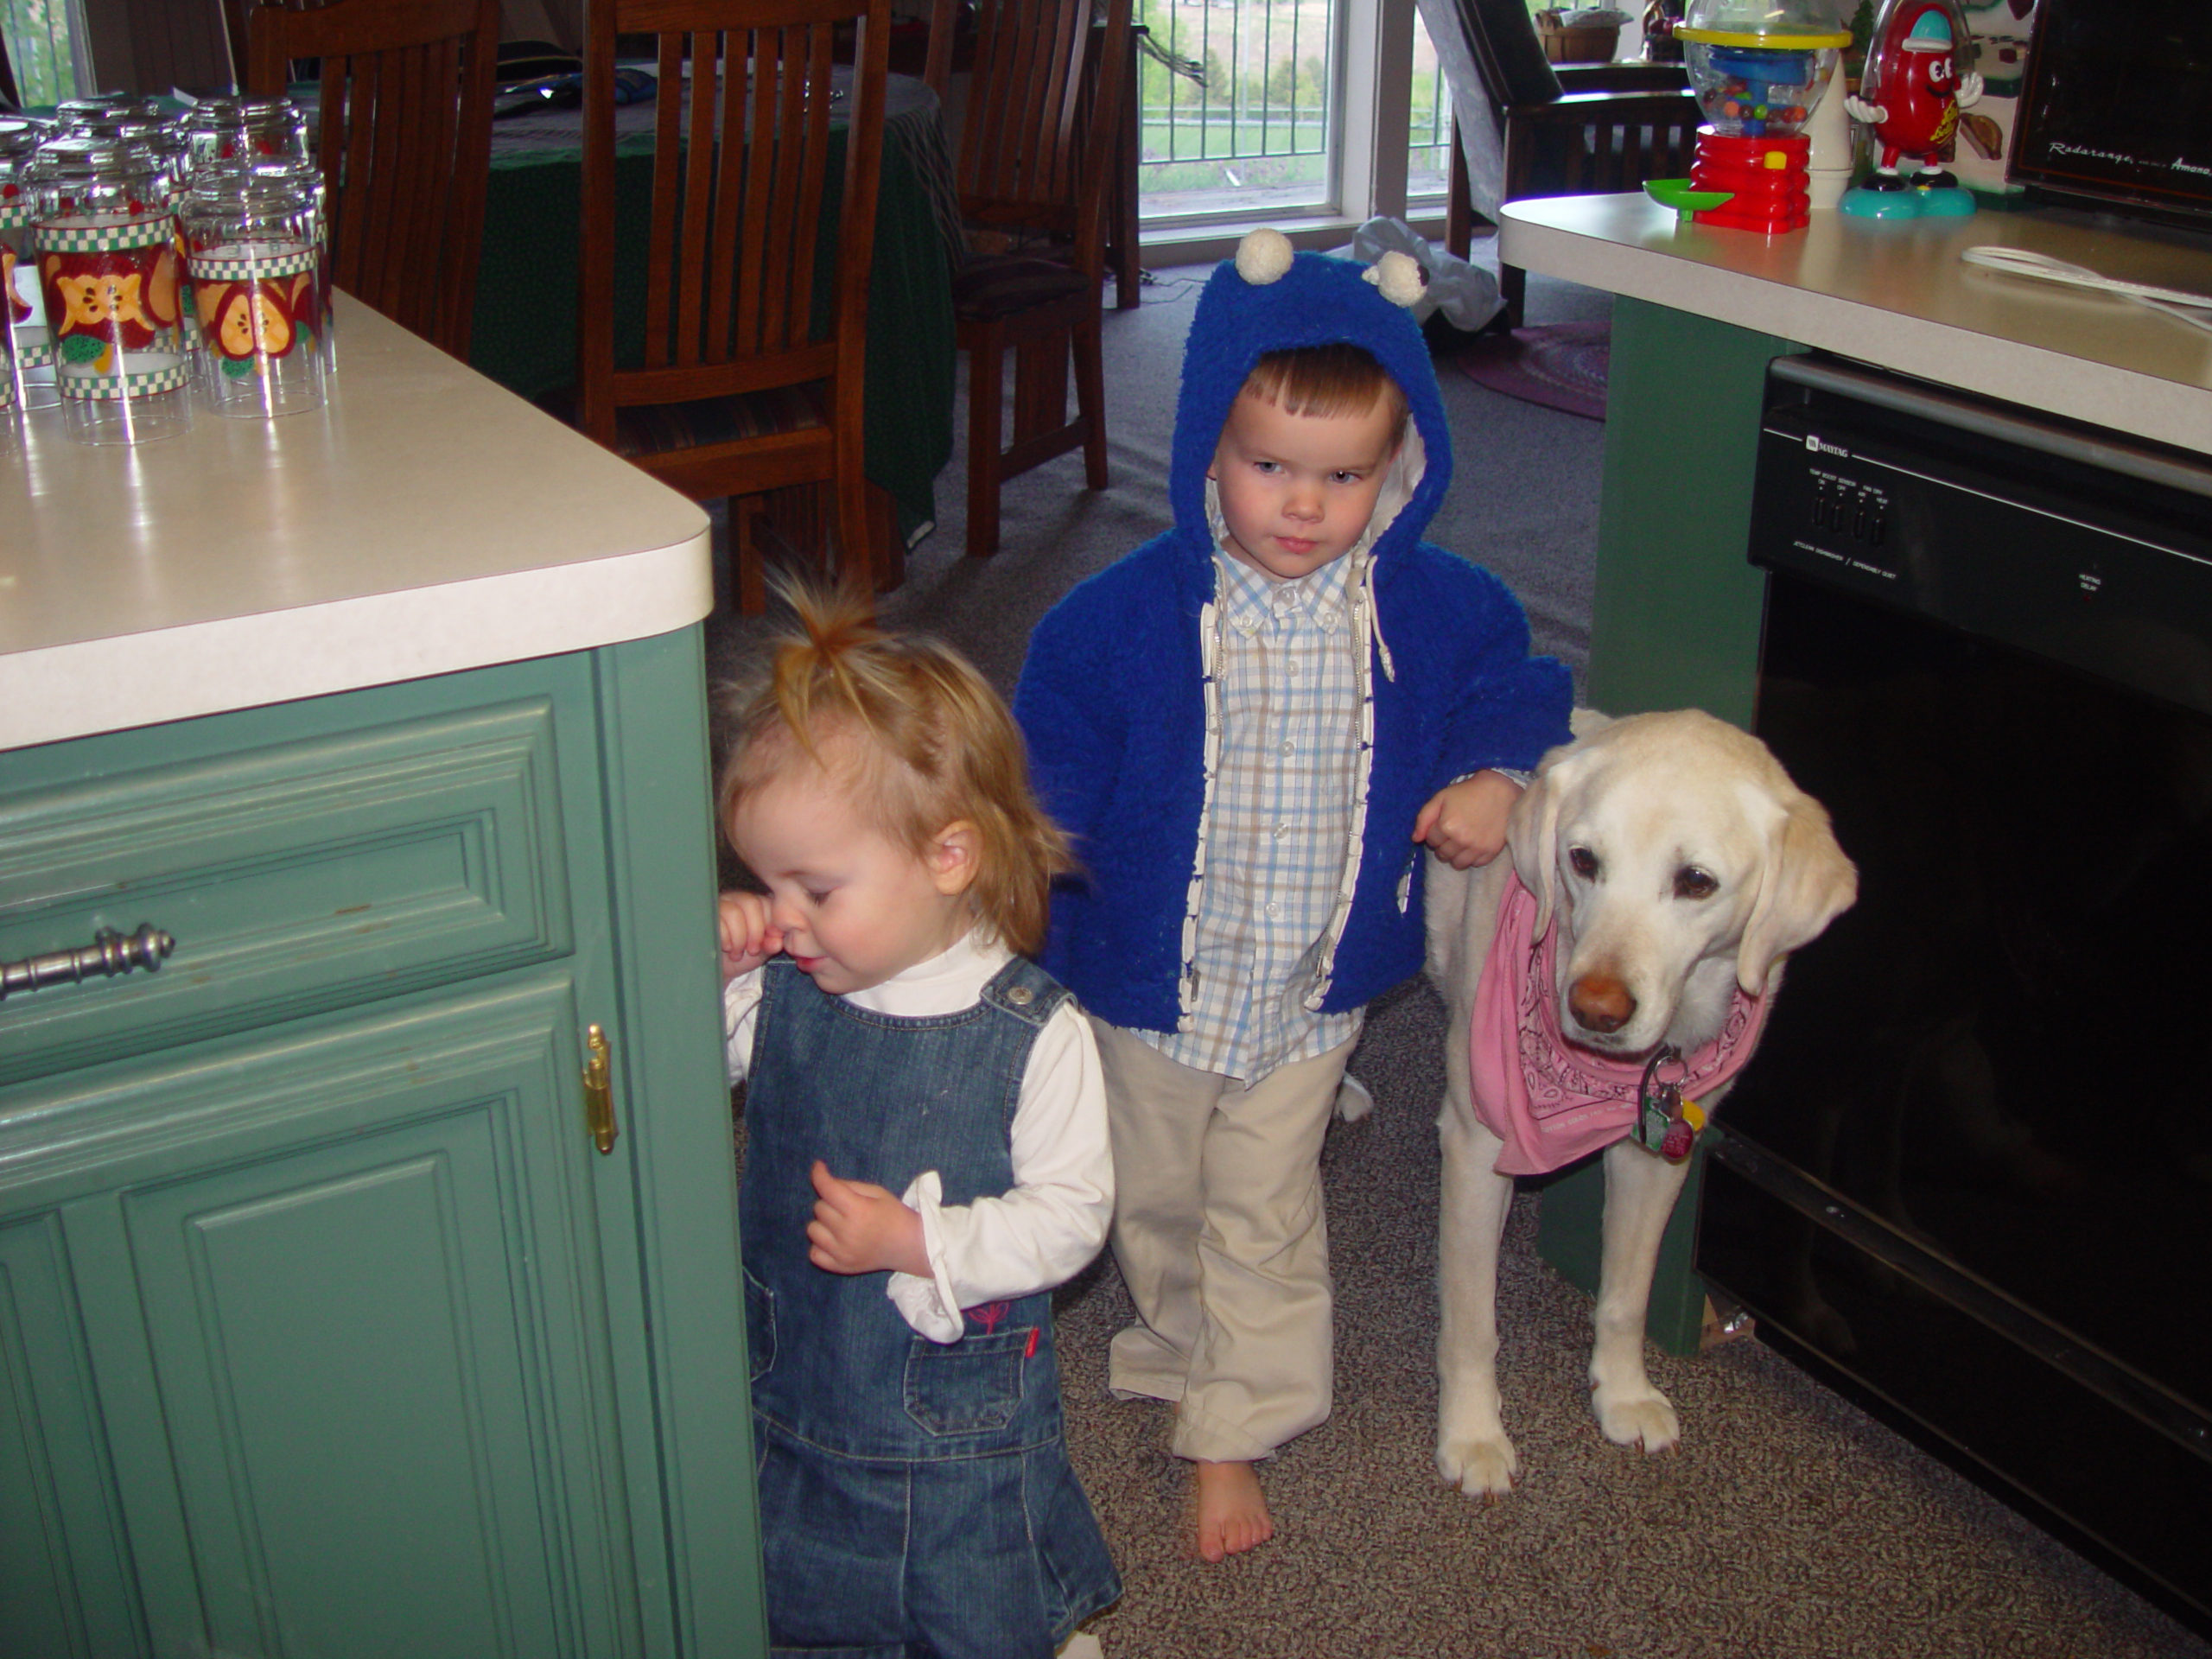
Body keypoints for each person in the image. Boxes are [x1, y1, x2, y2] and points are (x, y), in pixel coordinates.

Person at [1012, 231, 1574, 1562]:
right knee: (1148, 1204)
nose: (1306, 507)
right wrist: (1014, 872)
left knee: (1264, 1213)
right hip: (1149, 987)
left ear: (1400, 468)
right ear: (1209, 440)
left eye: (1345, 475)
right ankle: (1175, 1343)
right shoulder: (1115, 618)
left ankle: (1234, 1428)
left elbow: (1516, 672)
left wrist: (1496, 771)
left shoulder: (1430, 605)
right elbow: (1043, 769)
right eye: (1270, 466)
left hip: (1307, 1001)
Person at [717, 582, 1121, 1656]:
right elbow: (690, 1071)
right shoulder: (790, 988)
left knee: (975, 1602)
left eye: (814, 888)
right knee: (800, 1596)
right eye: (764, 884)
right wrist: (709, 972)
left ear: (949, 857)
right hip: (791, 1388)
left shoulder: (1036, 1034)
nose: (783, 919)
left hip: (954, 1434)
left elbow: (1074, 1220)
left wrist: (918, 1242)